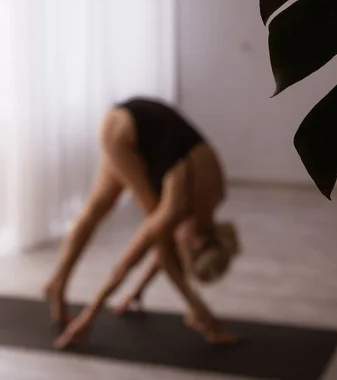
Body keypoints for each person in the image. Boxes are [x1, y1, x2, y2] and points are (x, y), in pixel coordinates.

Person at [44, 98, 240, 348]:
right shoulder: (180, 204)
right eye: (186, 255)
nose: (179, 250)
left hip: (139, 130)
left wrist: (138, 292)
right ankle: (58, 284)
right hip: (124, 129)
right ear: (199, 240)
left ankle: (56, 283)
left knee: (101, 208)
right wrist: (88, 317)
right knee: (143, 224)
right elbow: (132, 259)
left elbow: (164, 254)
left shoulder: (213, 199)